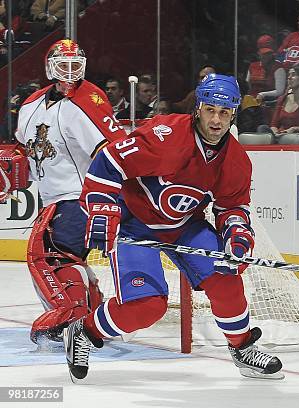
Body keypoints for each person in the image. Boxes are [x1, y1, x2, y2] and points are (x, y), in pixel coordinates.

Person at [62, 74, 283, 382]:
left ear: (233, 113)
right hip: (134, 225)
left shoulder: (236, 161)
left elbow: (231, 207)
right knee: (147, 306)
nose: (216, 120)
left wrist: (237, 237)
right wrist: (102, 205)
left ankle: (242, 348)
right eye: (210, 110)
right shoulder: (165, 136)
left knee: (225, 275)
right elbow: (110, 161)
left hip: (184, 226)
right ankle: (83, 331)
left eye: (224, 112)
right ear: (198, 109)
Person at [5, 39, 125, 347]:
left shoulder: (89, 100)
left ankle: (70, 315)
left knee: (47, 256)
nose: (70, 72)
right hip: (54, 198)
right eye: (63, 65)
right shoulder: (31, 103)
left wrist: (112, 197)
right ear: (49, 67)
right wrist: (12, 171)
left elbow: (112, 150)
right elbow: (25, 151)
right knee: (67, 259)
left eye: (76, 65)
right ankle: (94, 316)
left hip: (79, 198)